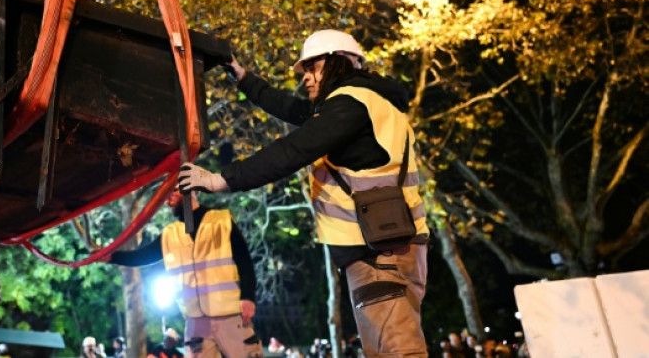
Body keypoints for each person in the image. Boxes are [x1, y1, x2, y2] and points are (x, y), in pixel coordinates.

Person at [177, 29, 430, 358]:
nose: (306, 77)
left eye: (313, 67)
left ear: (340, 62)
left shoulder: (350, 105)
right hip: (389, 244)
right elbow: (293, 110)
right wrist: (242, 77)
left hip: (378, 252)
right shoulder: (366, 102)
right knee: (385, 347)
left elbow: (292, 151)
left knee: (396, 350)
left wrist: (219, 180)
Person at [105, 191, 263, 358]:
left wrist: (248, 296)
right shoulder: (170, 234)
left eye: (172, 193)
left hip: (229, 315)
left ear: (190, 190)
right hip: (195, 320)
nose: (167, 201)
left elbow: (243, 259)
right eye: (165, 196)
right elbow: (142, 256)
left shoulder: (220, 221)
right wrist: (112, 257)